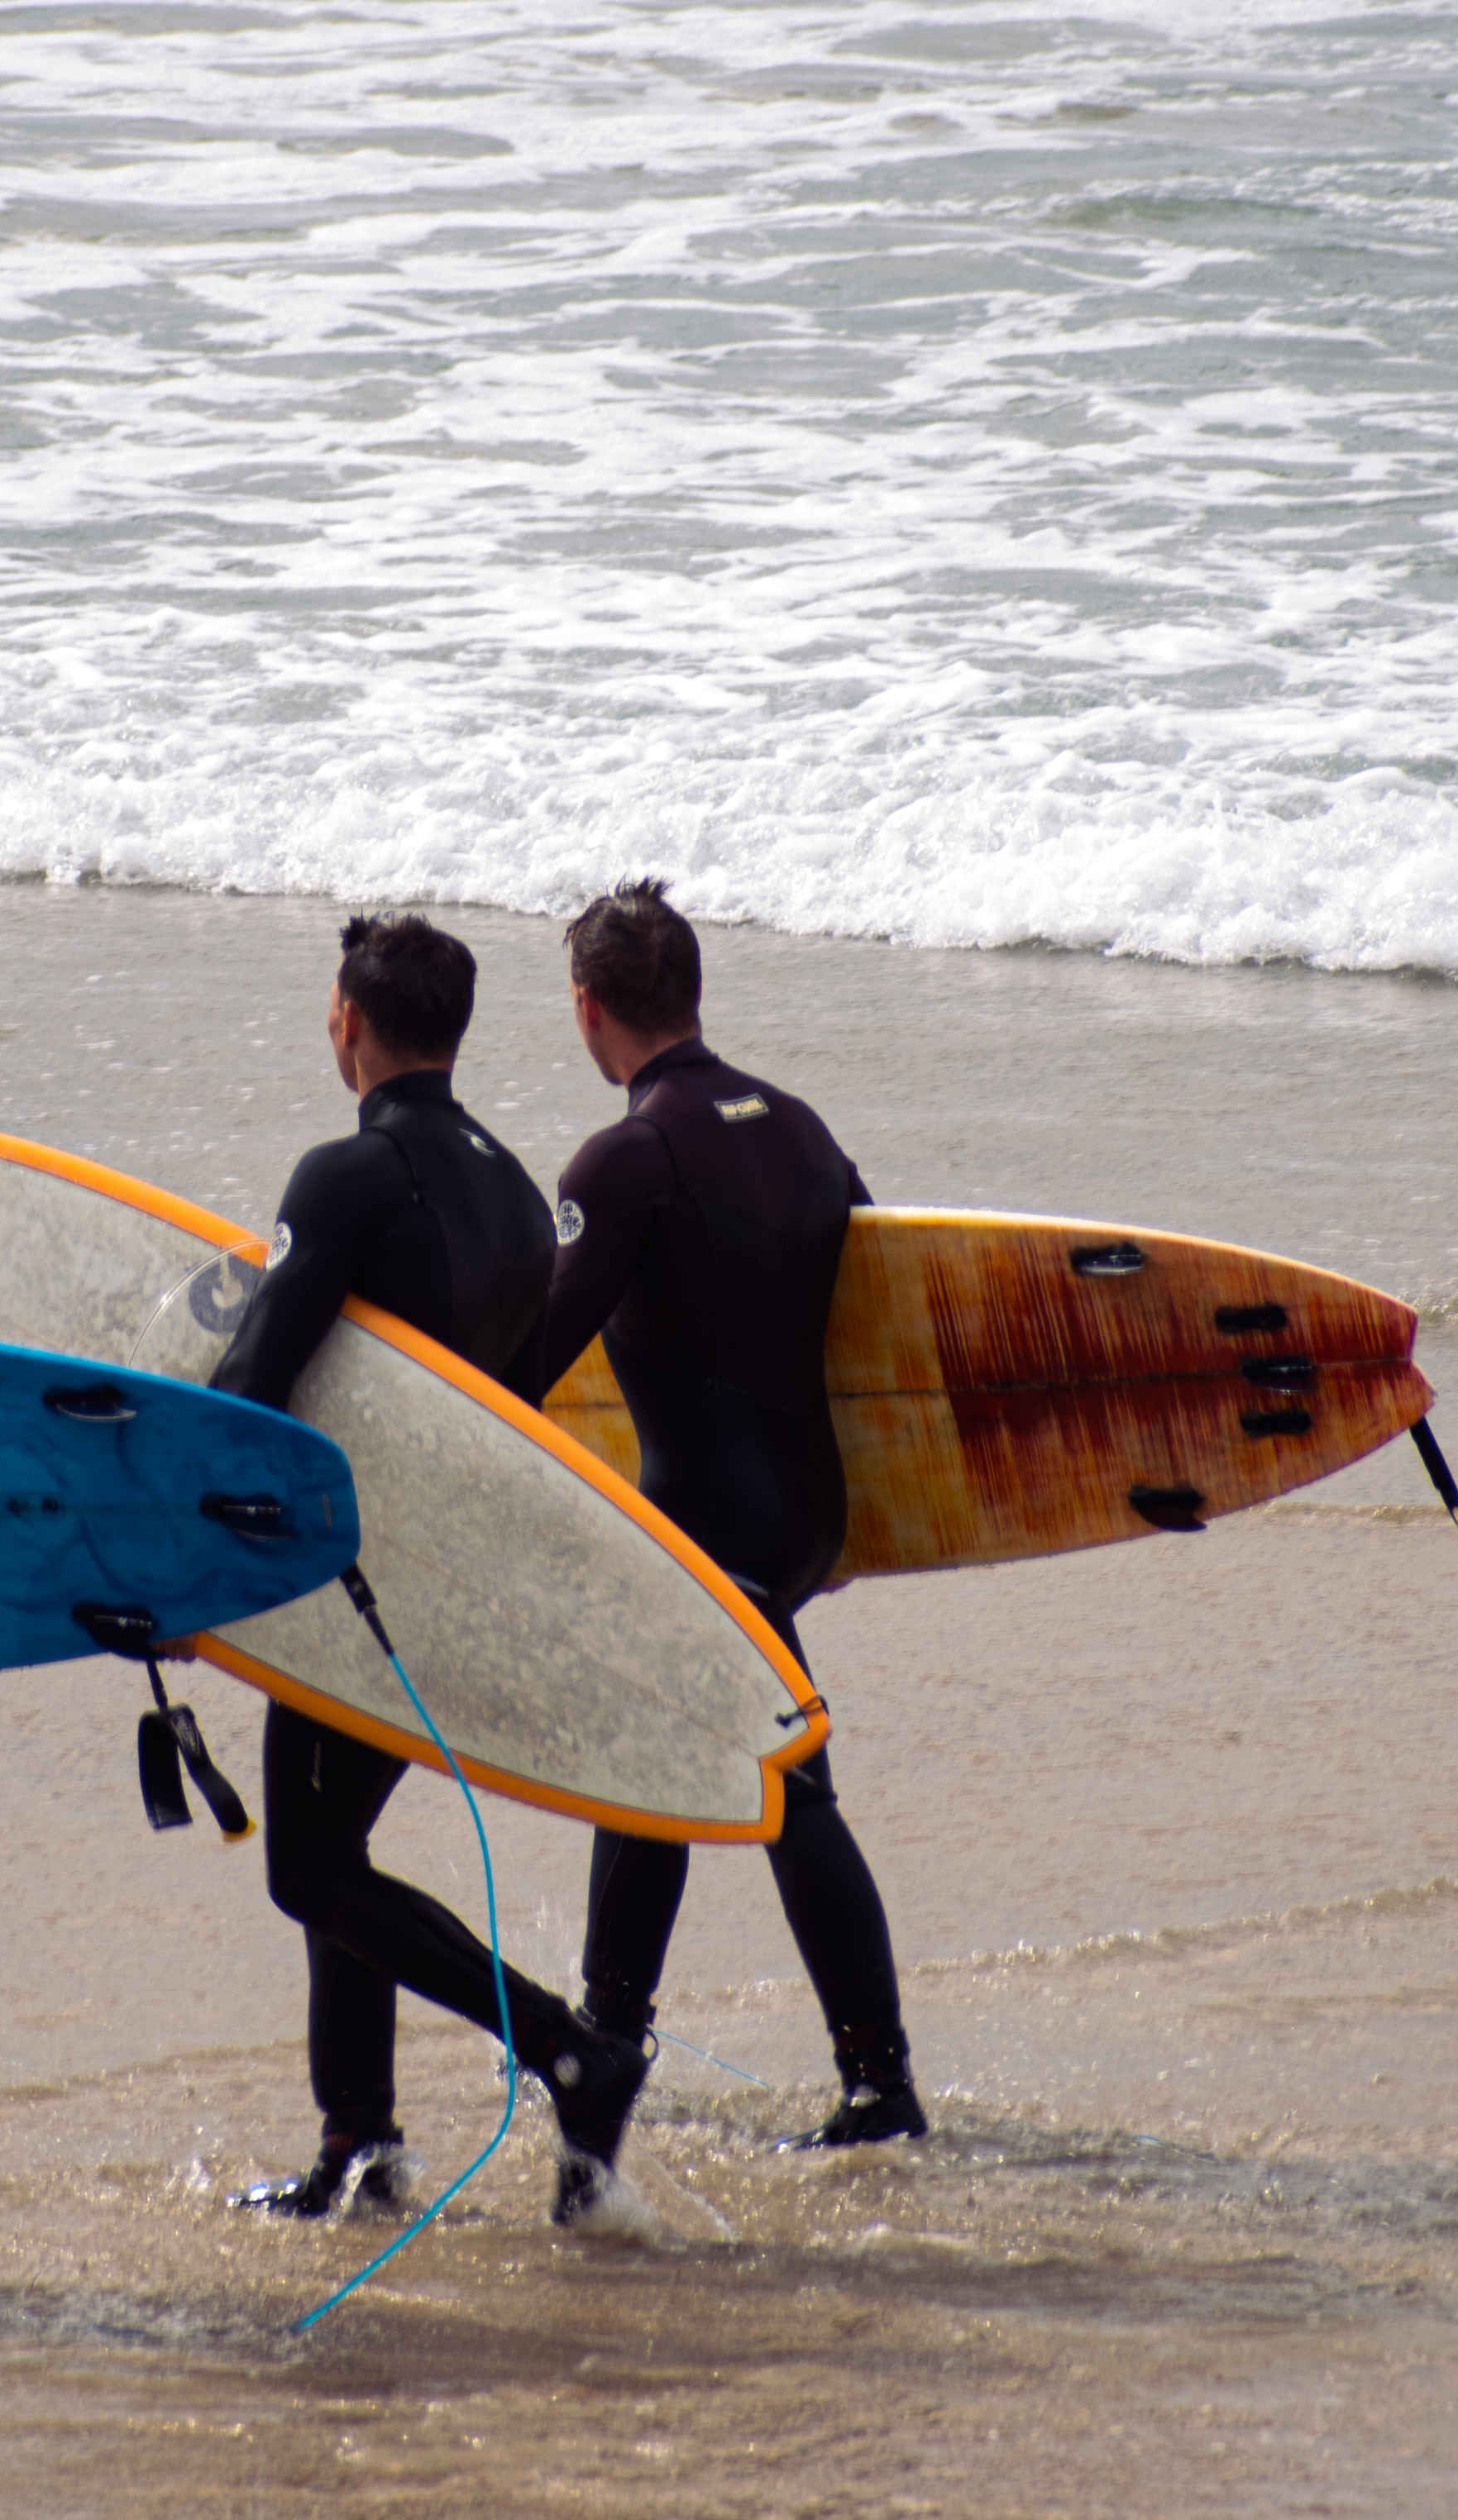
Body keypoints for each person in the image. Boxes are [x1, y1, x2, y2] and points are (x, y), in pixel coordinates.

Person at [203, 913, 655, 2231]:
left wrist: (183, 1556)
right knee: (331, 1846)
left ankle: (570, 2049)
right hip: (454, 1569)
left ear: (348, 1019)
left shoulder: (349, 1175)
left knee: (309, 1869)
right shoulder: (516, 1192)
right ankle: (361, 2145)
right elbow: (501, 1407)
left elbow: (255, 1381)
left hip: (361, 1577)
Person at [502, 881, 927, 2155]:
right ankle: (628, 2051)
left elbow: (529, 1366)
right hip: (799, 1516)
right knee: (691, 1778)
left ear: (588, 1009)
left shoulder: (628, 1158)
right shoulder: (800, 1128)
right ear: (694, 993)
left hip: (700, 1530)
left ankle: (823, 2080)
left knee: (763, 1793)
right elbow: (879, 1328)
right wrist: (866, 1522)